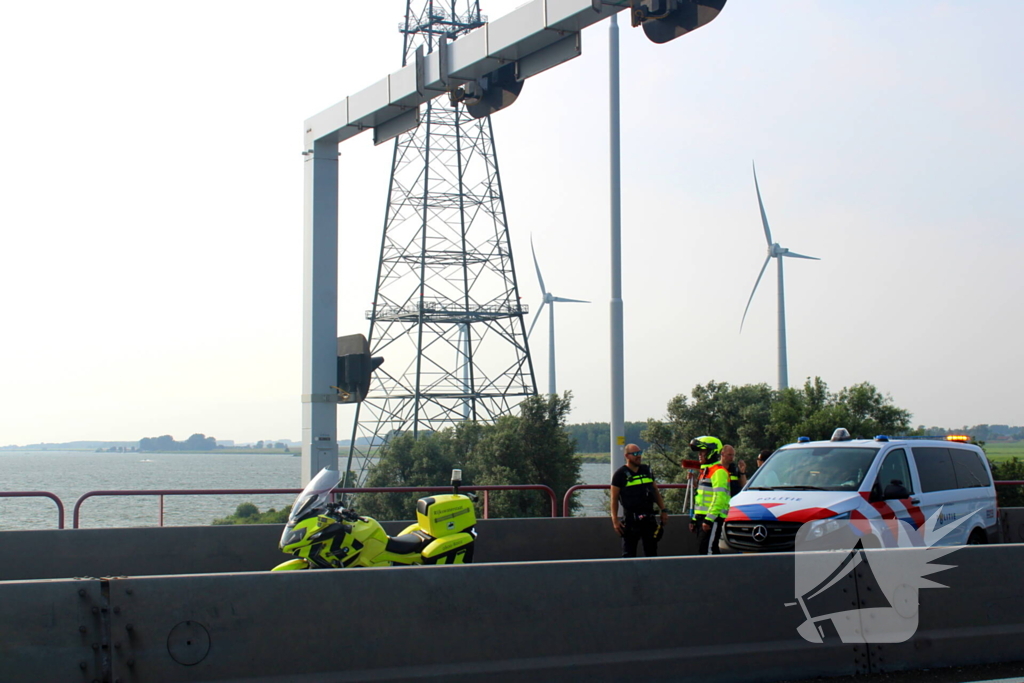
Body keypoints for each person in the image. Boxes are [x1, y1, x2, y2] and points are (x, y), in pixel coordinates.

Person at [610, 444, 669, 558]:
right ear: (627, 456)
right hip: (631, 520)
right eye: (635, 454)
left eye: (640, 453)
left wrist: (664, 510)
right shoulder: (620, 474)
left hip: (649, 519)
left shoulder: (646, 470)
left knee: (651, 552)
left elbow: (655, 491)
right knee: (628, 554)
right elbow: (613, 499)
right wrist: (615, 520)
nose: (639, 456)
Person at [688, 436, 730, 556]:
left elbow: (719, 498)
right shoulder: (705, 471)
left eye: (703, 451)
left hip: (712, 519)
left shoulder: (718, 471)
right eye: (699, 452)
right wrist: (695, 519)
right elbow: (700, 499)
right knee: (704, 550)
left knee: (708, 552)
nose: (700, 455)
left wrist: (709, 519)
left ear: (712, 451)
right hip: (703, 518)